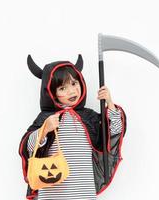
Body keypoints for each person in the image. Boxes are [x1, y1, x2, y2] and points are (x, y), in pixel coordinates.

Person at [19, 54, 127, 200]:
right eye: (63, 88)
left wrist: (110, 103)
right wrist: (44, 129)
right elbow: (29, 147)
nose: (71, 91)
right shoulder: (47, 118)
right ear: (52, 93)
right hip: (53, 192)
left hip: (83, 191)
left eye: (74, 84)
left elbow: (114, 132)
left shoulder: (89, 117)